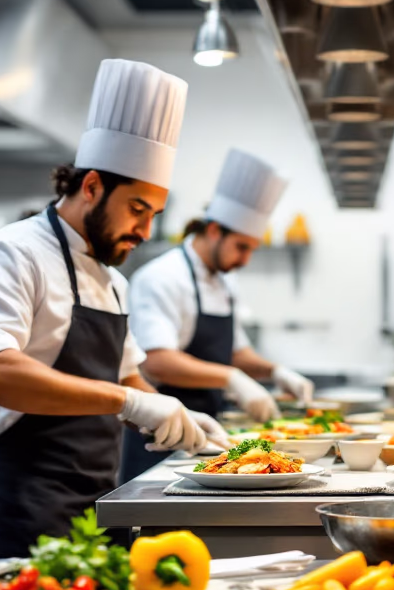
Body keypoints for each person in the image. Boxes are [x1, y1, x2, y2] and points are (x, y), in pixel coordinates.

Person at [0, 59, 224, 559]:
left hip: (95, 510)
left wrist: (180, 416)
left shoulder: (112, 280)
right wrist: (128, 403)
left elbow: (128, 378)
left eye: (154, 215)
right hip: (16, 506)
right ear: (92, 186)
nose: (145, 232)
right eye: (137, 209)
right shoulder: (11, 253)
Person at [120, 149, 313, 482]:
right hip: (163, 434)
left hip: (211, 430)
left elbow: (237, 352)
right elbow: (157, 360)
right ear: (213, 231)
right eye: (242, 247)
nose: (246, 259)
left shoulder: (224, 281)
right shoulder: (161, 278)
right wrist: (231, 379)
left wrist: (275, 371)